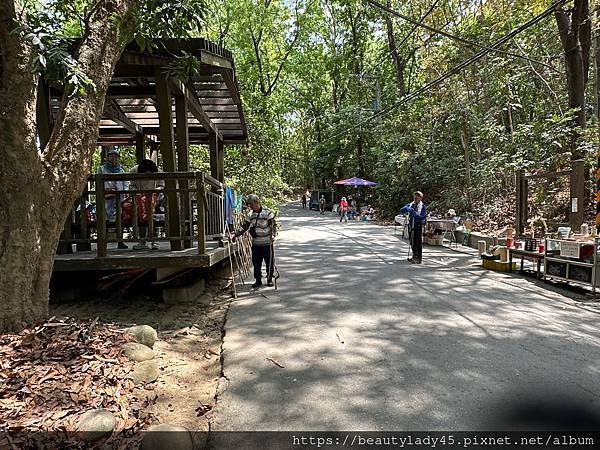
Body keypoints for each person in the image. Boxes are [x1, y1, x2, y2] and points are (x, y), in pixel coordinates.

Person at [230, 194, 276, 288]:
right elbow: (244, 226)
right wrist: (235, 234)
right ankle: (258, 280)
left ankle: (269, 279)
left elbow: (273, 225)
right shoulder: (250, 214)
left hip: (267, 243)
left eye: (251, 204)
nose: (250, 206)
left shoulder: (267, 212)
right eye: (249, 204)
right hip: (256, 243)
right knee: (256, 262)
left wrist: (273, 235)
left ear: (257, 202)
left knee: (269, 261)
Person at [97, 148, 129, 249]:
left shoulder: (121, 170)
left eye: (116, 157)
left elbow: (126, 184)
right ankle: (103, 242)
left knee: (119, 219)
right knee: (104, 220)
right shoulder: (101, 169)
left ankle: (120, 241)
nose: (114, 158)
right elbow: (98, 182)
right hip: (105, 198)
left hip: (118, 199)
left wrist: (124, 193)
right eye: (112, 156)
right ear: (107, 158)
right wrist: (107, 190)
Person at [129, 159, 164, 250]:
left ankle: (154, 241)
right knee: (141, 220)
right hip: (139, 199)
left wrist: (154, 192)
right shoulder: (134, 171)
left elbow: (162, 185)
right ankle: (142, 241)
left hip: (155, 199)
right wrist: (138, 193)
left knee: (154, 219)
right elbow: (132, 185)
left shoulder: (159, 172)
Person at [400, 191, 428, 264]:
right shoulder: (411, 205)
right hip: (410, 225)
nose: (415, 197)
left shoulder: (423, 207)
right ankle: (414, 255)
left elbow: (422, 217)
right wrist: (407, 209)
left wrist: (414, 214)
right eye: (415, 196)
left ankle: (418, 257)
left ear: (421, 198)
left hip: (417, 226)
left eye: (417, 196)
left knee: (417, 242)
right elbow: (402, 210)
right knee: (412, 241)